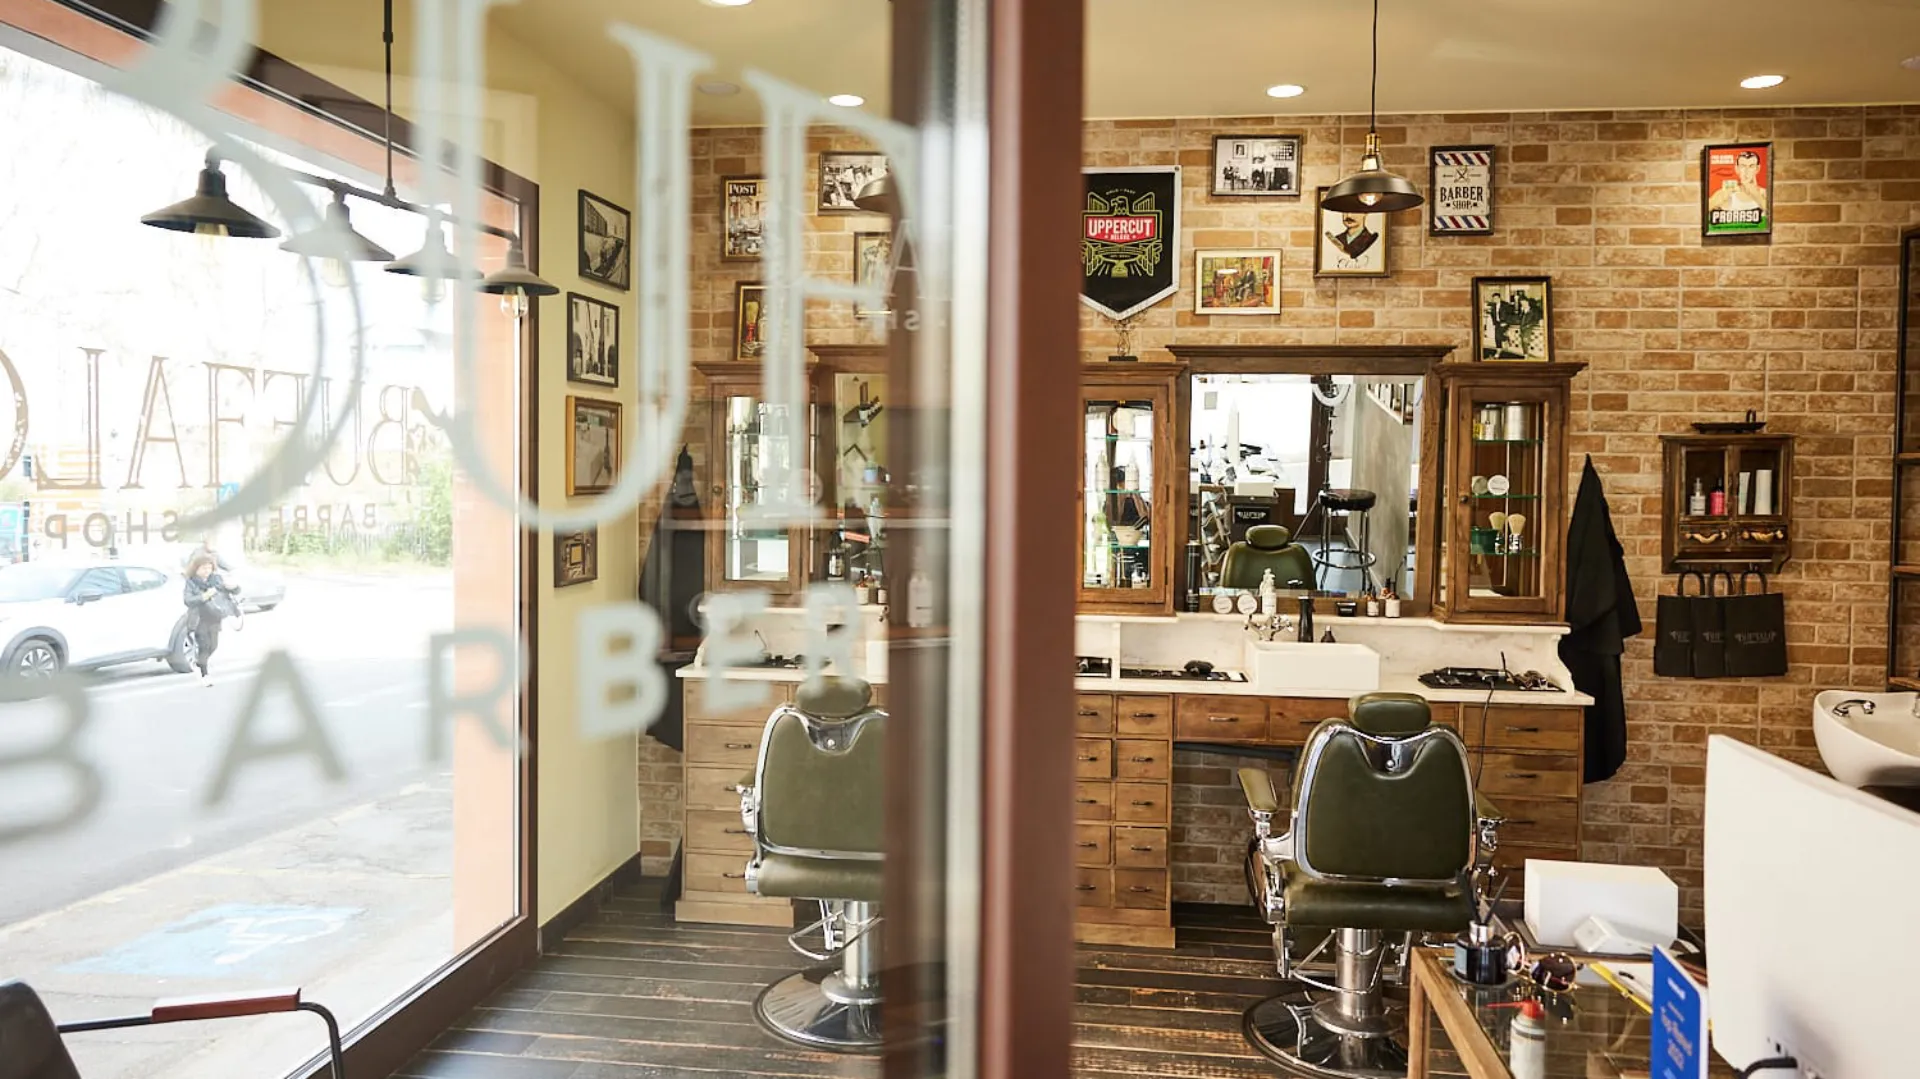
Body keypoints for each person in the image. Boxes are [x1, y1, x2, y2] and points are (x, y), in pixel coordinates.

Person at [182, 553, 239, 685]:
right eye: (203, 568)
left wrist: (233, 586)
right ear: (196, 569)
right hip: (199, 618)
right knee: (204, 645)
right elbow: (188, 600)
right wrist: (204, 596)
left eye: (209, 568)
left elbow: (232, 591)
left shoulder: (216, 579)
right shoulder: (191, 582)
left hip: (214, 617)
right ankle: (204, 674)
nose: (206, 571)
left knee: (213, 646)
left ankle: (199, 663)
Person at [1708, 149, 1768, 217]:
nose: (1746, 171)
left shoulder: (1765, 194)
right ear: (1737, 169)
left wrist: (1757, 196)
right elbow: (1703, 210)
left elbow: (1774, 214)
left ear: (1757, 168)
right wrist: (1713, 203)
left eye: (1751, 166)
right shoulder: (1725, 194)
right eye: (1743, 166)